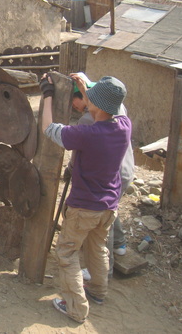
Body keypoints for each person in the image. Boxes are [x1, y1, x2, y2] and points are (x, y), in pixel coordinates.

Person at [40, 73, 131, 324]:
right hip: (108, 205)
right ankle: (98, 293)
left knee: (67, 254)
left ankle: (76, 308)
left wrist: (47, 95)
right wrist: (86, 88)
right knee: (97, 248)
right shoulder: (123, 126)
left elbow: (49, 128)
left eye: (91, 97)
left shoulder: (88, 133)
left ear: (98, 106)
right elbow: (110, 105)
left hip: (84, 207)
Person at [69, 73, 134, 278]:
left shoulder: (88, 120)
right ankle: (120, 244)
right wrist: (86, 85)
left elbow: (77, 153)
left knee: (102, 222)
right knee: (110, 210)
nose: (76, 106)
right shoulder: (117, 109)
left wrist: (70, 169)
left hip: (110, 173)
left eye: (75, 102)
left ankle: (104, 269)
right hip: (124, 168)